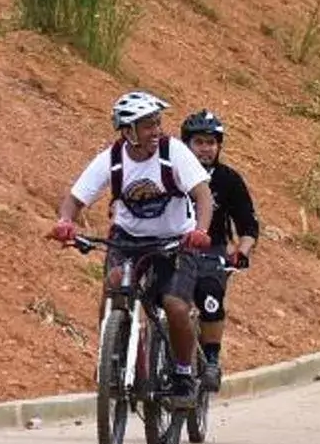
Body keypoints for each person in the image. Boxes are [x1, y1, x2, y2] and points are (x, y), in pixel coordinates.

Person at [51, 92, 216, 403]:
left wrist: (201, 230)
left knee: (176, 305)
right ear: (128, 131)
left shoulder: (173, 152)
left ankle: (182, 373)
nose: (156, 131)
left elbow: (203, 195)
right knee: (112, 288)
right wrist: (64, 221)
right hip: (127, 239)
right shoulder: (111, 160)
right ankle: (112, 360)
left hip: (175, 240)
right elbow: (74, 199)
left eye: (157, 123)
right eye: (148, 126)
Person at [178, 111, 260, 384]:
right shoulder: (172, 174)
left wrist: (242, 252)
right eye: (199, 142)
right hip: (172, 246)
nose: (206, 148)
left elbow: (248, 226)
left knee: (210, 296)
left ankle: (211, 359)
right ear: (186, 144)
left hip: (211, 251)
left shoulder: (228, 179)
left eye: (211, 142)